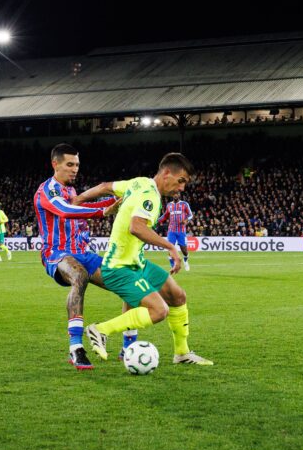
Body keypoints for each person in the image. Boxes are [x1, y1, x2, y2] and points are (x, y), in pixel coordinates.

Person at [81, 153, 214, 365]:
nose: (182, 188)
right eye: (181, 181)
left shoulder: (139, 182)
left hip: (137, 263)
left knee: (177, 296)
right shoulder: (150, 196)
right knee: (159, 310)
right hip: (119, 268)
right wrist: (170, 246)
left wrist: (77, 200)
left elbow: (105, 186)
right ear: (167, 173)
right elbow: (137, 227)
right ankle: (100, 330)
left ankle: (182, 353)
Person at [34, 144, 120, 370]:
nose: (75, 170)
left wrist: (115, 204)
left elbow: (82, 206)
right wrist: (103, 211)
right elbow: (65, 210)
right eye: (69, 165)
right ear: (55, 164)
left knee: (126, 279)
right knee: (79, 276)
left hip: (84, 252)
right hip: (58, 252)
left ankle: (128, 345)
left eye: (77, 165)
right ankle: (76, 348)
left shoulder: (71, 191)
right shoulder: (47, 191)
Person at [158, 190, 193, 271]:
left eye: (177, 193)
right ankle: (173, 266)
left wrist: (186, 220)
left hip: (181, 231)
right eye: (174, 193)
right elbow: (165, 216)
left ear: (179, 195)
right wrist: (156, 220)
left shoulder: (184, 204)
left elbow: (190, 215)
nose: (175, 195)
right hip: (171, 230)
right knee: (170, 248)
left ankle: (185, 260)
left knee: (184, 249)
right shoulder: (169, 205)